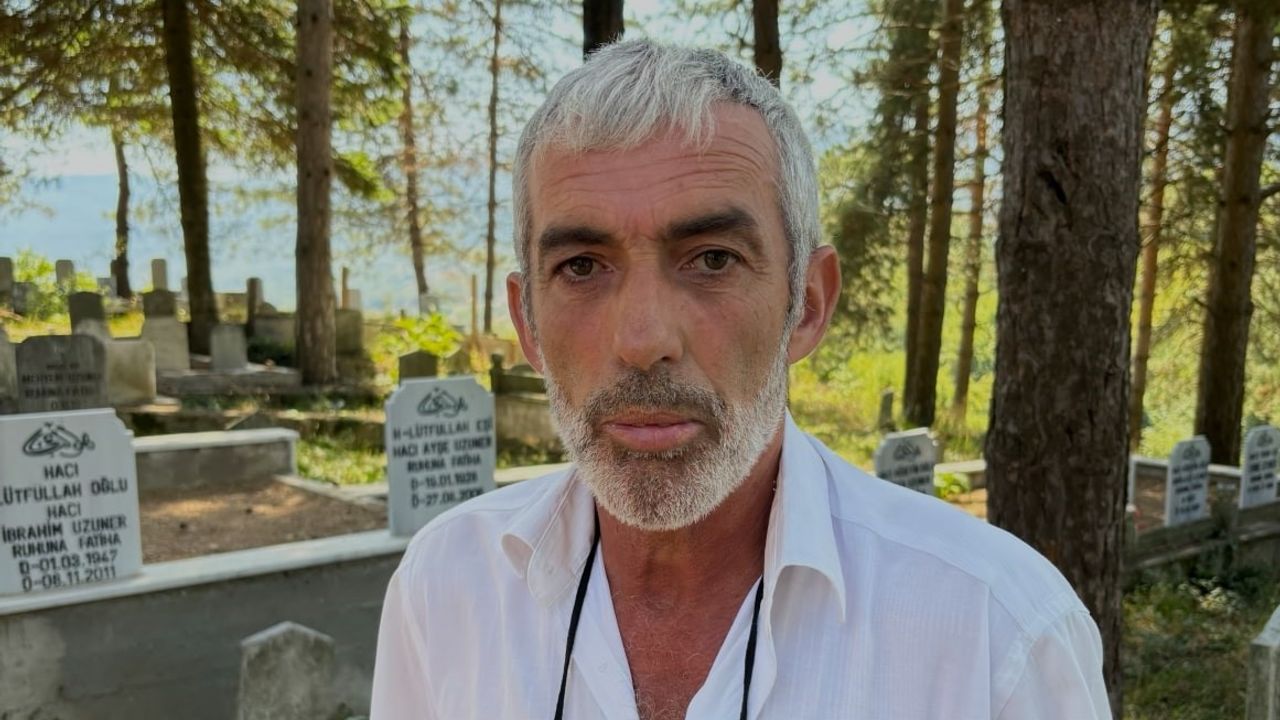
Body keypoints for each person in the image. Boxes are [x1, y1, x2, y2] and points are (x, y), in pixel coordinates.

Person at [371, 40, 1110, 720]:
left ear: (807, 304)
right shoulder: (447, 590)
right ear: (527, 322)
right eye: (582, 267)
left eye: (712, 259)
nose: (644, 342)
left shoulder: (995, 634)